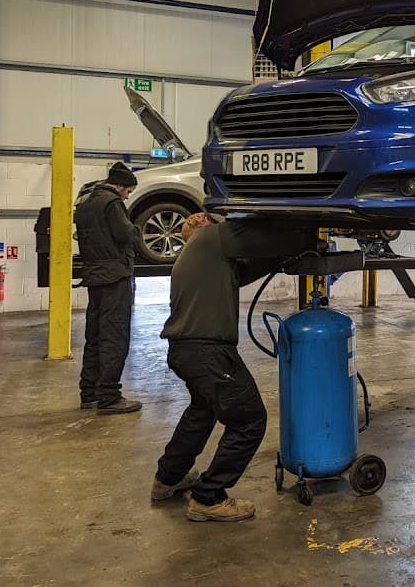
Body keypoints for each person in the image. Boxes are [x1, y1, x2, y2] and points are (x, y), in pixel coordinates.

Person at [151, 212, 319, 522]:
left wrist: (288, 253)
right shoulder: (206, 239)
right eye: (199, 217)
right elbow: (261, 238)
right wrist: (309, 232)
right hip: (208, 351)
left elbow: (253, 265)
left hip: (187, 350)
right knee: (250, 419)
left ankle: (168, 478)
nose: (206, 216)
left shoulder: (207, 261)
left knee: (203, 411)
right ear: (197, 230)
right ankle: (208, 497)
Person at [75, 162, 143, 415]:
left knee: (94, 337)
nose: (127, 196)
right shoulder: (112, 203)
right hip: (115, 277)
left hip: (94, 276)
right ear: (120, 185)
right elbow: (127, 235)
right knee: (114, 337)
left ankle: (89, 393)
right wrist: (136, 230)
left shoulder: (86, 202)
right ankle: (109, 397)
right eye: (128, 191)